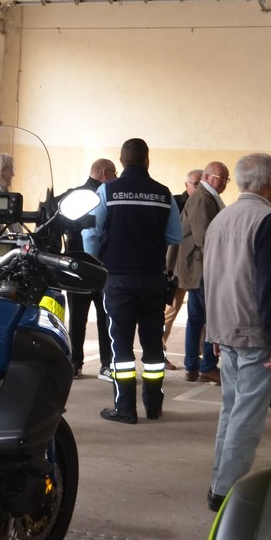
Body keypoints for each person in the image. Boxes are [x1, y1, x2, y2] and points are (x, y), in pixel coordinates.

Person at [204, 153, 271, 510]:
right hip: (255, 332)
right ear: (269, 181)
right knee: (247, 417)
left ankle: (218, 482)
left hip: (224, 328)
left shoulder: (221, 218)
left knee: (230, 410)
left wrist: (213, 331)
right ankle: (226, 492)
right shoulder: (268, 221)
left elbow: (210, 278)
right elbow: (269, 285)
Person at [85, 138, 182, 423]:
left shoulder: (107, 191)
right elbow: (175, 235)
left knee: (121, 346)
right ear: (147, 160)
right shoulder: (164, 194)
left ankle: (125, 407)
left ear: (122, 160)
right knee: (153, 345)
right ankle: (153, 405)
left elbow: (91, 233)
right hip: (153, 279)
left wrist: (95, 264)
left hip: (117, 279)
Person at [65, 158, 116, 379]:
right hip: (98, 267)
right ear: (105, 173)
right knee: (103, 317)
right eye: (114, 173)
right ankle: (106, 364)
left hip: (76, 266)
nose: (116, 177)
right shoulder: (106, 197)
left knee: (78, 319)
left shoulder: (72, 196)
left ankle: (75, 364)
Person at [178, 161, 229, 383]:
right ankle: (206, 366)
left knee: (197, 319)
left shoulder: (207, 196)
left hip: (199, 268)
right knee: (210, 319)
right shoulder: (202, 198)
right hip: (202, 268)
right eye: (221, 178)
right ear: (208, 177)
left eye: (226, 179)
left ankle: (193, 366)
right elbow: (204, 238)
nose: (224, 183)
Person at [162, 170, 203, 350]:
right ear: (186, 185)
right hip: (178, 266)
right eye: (196, 183)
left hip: (197, 267)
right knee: (170, 311)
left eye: (202, 184)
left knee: (199, 314)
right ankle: (160, 349)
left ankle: (199, 353)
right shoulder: (176, 203)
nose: (199, 187)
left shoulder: (206, 203)